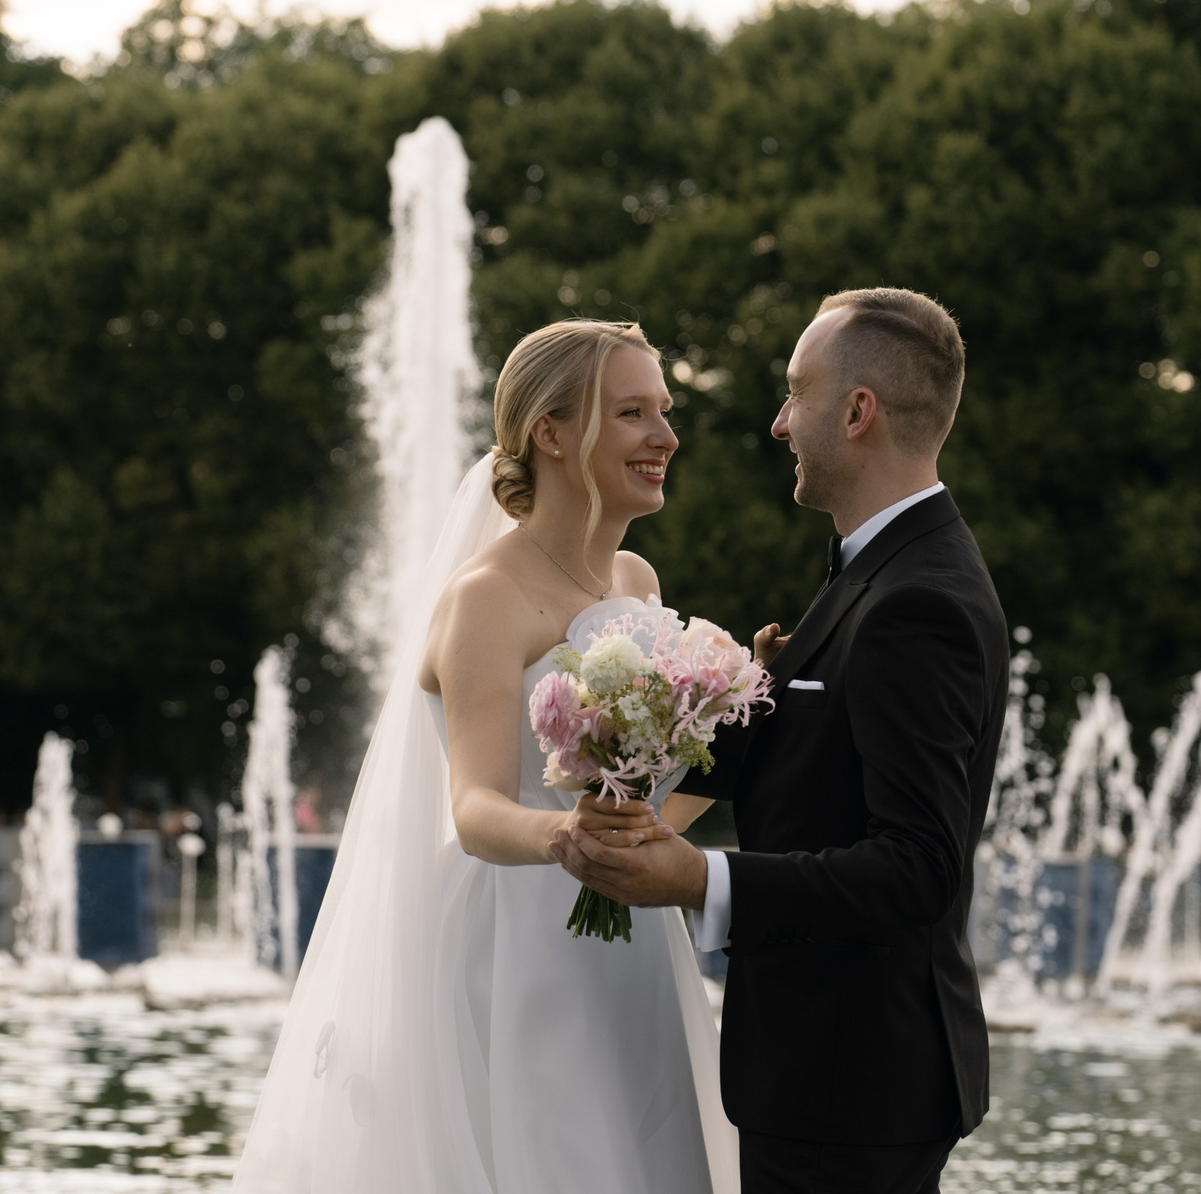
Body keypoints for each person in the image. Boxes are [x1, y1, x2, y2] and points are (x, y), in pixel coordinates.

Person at [236, 319, 731, 1194]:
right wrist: (565, 838)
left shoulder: (638, 583)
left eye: (663, 410)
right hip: (519, 945)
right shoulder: (486, 597)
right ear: (550, 432)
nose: (664, 436)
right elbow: (474, 807)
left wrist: (735, 737)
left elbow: (645, 803)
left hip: (634, 941)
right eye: (631, 413)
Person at [554, 289, 1007, 1194]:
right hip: (828, 1078)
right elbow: (831, 766)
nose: (777, 421)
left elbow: (918, 866)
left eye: (796, 392)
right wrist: (748, 701)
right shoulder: (876, 566)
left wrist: (700, 877)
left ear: (857, 411)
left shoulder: (916, 599)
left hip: (855, 1086)